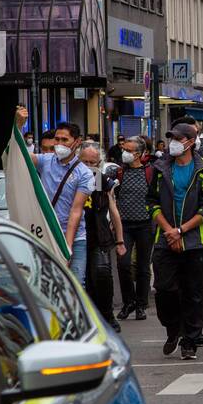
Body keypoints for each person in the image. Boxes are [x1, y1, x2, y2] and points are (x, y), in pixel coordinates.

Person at [147, 123, 203, 359]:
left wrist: (182, 230)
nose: (173, 143)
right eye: (171, 139)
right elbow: (152, 202)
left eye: (178, 139)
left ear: (190, 141)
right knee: (164, 289)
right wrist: (169, 230)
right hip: (165, 238)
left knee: (194, 292)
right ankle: (173, 328)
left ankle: (190, 339)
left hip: (195, 239)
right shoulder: (160, 167)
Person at [17, 106, 94, 283]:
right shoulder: (45, 161)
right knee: (45, 283)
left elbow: (76, 211)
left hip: (74, 238)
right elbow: (19, 155)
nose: (59, 144)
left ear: (76, 142)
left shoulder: (85, 174)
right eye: (57, 139)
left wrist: (66, 247)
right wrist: (18, 127)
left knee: (75, 285)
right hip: (45, 234)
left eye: (64, 140)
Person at [79, 143, 127, 333]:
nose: (89, 166)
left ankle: (107, 315)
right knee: (84, 281)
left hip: (99, 236)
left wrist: (120, 240)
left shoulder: (100, 180)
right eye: (85, 162)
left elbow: (113, 209)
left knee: (102, 274)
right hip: (77, 236)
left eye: (93, 162)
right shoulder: (72, 178)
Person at [115, 136, 155, 322]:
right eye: (124, 149)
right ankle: (128, 302)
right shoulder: (119, 172)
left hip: (145, 225)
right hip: (124, 226)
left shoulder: (151, 172)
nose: (125, 153)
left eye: (129, 150)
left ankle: (141, 305)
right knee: (123, 264)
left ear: (139, 154)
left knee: (142, 267)